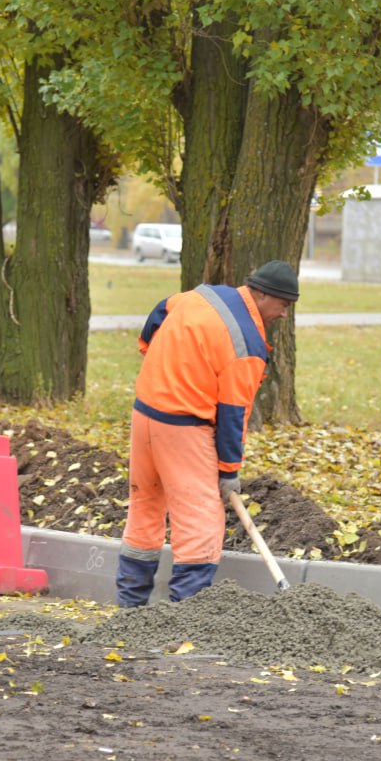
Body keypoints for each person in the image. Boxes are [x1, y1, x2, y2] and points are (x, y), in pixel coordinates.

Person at [115, 260, 299, 607]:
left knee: (145, 510)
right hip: (184, 428)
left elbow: (159, 312)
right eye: (284, 305)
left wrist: (155, 356)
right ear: (261, 295)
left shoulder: (204, 296)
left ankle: (129, 611)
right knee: (201, 521)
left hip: (145, 416)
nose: (285, 315)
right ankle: (187, 617)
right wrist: (229, 470)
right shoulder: (247, 345)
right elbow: (232, 414)